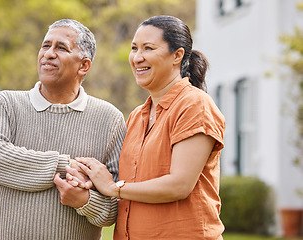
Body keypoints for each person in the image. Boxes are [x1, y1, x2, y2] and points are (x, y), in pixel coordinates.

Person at [75, 15, 226, 239]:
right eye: (134, 48)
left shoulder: (195, 105)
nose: (137, 57)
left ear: (177, 55)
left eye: (148, 48)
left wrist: (113, 188)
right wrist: (89, 179)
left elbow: (179, 185)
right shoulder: (137, 116)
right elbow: (128, 182)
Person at [0, 19, 126, 240]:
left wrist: (84, 201)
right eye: (46, 46)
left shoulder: (109, 118)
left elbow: (116, 205)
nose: (48, 53)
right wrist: (66, 166)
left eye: (61, 48)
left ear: (83, 66)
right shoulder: (7, 104)